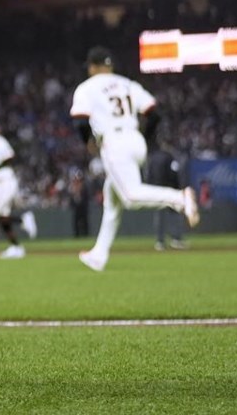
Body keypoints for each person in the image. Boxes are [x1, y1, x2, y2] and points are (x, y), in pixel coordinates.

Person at [70, 47, 199, 272]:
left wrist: (89, 142)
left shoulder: (87, 87)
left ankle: (180, 199)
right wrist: (144, 139)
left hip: (113, 141)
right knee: (112, 201)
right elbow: (154, 113)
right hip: (135, 139)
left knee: (130, 196)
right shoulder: (128, 84)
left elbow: (80, 121)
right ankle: (98, 255)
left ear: (92, 66)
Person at [0, 121, 36, 259]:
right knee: (2, 217)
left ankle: (23, 220)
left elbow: (10, 157)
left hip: (4, 182)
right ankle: (16, 247)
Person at [144, 146, 188, 250]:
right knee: (174, 215)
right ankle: (176, 239)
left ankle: (160, 242)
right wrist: (177, 188)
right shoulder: (170, 157)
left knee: (159, 216)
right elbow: (174, 172)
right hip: (169, 190)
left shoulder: (152, 158)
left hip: (157, 191)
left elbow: (148, 175)